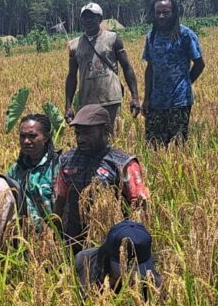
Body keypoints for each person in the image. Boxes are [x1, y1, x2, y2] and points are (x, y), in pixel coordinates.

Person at [53, 105, 149, 254]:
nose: (81, 139)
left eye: (87, 133)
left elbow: (140, 206)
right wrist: (55, 234)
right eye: (78, 133)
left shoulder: (123, 164)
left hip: (111, 243)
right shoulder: (67, 160)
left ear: (105, 130)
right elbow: (60, 200)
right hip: (73, 240)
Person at [142, 0, 205, 146]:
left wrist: (185, 83)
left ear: (174, 13)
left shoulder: (185, 35)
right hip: (156, 102)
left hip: (179, 102)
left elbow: (199, 64)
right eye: (158, 12)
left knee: (177, 147)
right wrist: (146, 99)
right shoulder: (151, 37)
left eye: (165, 12)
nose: (161, 16)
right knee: (153, 146)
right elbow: (150, 69)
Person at [65, 2, 141, 128]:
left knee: (113, 135)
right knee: (90, 137)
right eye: (85, 17)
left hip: (111, 98)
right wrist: (68, 106)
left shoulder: (113, 38)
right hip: (86, 101)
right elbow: (71, 76)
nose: (88, 20)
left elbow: (127, 67)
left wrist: (135, 97)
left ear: (100, 19)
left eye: (92, 17)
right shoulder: (74, 45)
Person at [75, 220, 162, 297]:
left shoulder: (154, 283)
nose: (133, 277)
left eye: (137, 269)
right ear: (108, 255)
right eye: (127, 269)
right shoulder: (84, 262)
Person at [7, 114, 60, 232]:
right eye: (22, 136)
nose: (26, 141)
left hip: (54, 236)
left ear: (46, 137)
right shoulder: (15, 170)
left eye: (32, 136)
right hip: (24, 236)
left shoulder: (57, 166)